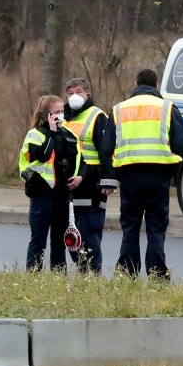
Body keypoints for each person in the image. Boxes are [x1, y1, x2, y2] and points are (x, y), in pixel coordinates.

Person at [101, 68, 183, 281]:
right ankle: (157, 274)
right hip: (158, 176)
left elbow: (106, 147)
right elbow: (182, 145)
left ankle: (127, 272)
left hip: (129, 176)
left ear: (135, 84)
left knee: (130, 227)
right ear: (157, 85)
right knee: (156, 228)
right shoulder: (167, 108)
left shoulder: (118, 109)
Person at [19, 95, 83, 273]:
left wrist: (80, 177)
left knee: (59, 242)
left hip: (62, 195)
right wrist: (52, 133)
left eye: (62, 111)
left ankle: (58, 279)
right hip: (42, 193)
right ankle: (33, 277)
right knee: (38, 240)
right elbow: (42, 156)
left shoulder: (69, 135)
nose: (60, 115)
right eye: (56, 112)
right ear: (46, 114)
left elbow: (80, 160)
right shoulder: (35, 135)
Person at [62, 78, 116, 274]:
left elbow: (106, 150)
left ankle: (93, 274)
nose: (74, 96)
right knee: (71, 235)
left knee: (90, 233)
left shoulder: (97, 116)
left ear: (87, 94)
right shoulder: (64, 118)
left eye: (78, 91)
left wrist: (109, 180)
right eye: (70, 92)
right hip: (69, 185)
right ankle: (82, 270)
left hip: (92, 184)